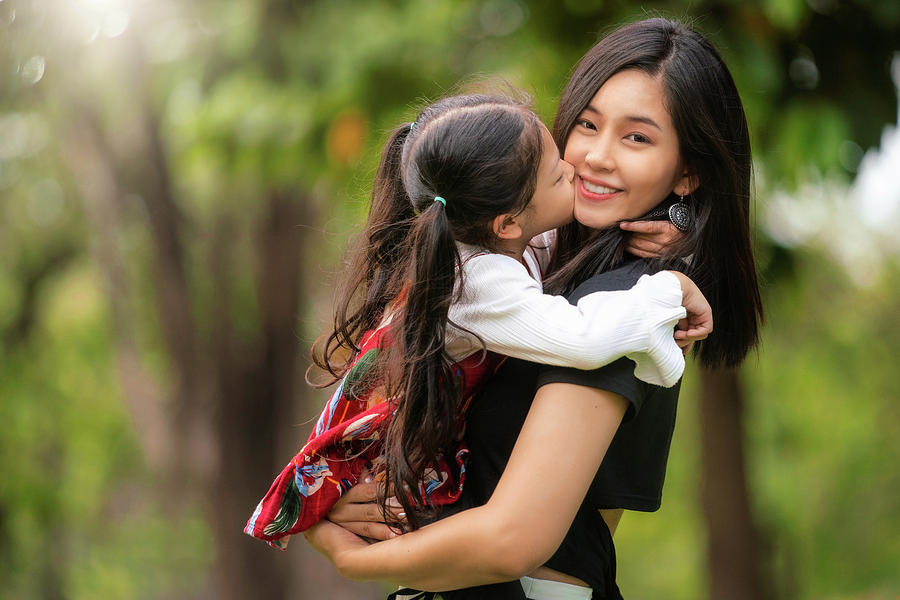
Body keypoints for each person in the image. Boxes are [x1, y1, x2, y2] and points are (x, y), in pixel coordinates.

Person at [303, 17, 764, 600]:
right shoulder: (534, 267)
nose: (595, 157)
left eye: (637, 137)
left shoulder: (624, 306)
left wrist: (350, 559)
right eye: (588, 125)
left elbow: (514, 541)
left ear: (689, 171)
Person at [244, 91, 713, 550]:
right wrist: (668, 290)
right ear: (507, 223)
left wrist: (676, 224)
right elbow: (582, 337)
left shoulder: (499, 240)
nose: (578, 168)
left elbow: (557, 248)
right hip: (380, 454)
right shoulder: (479, 280)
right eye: (557, 176)